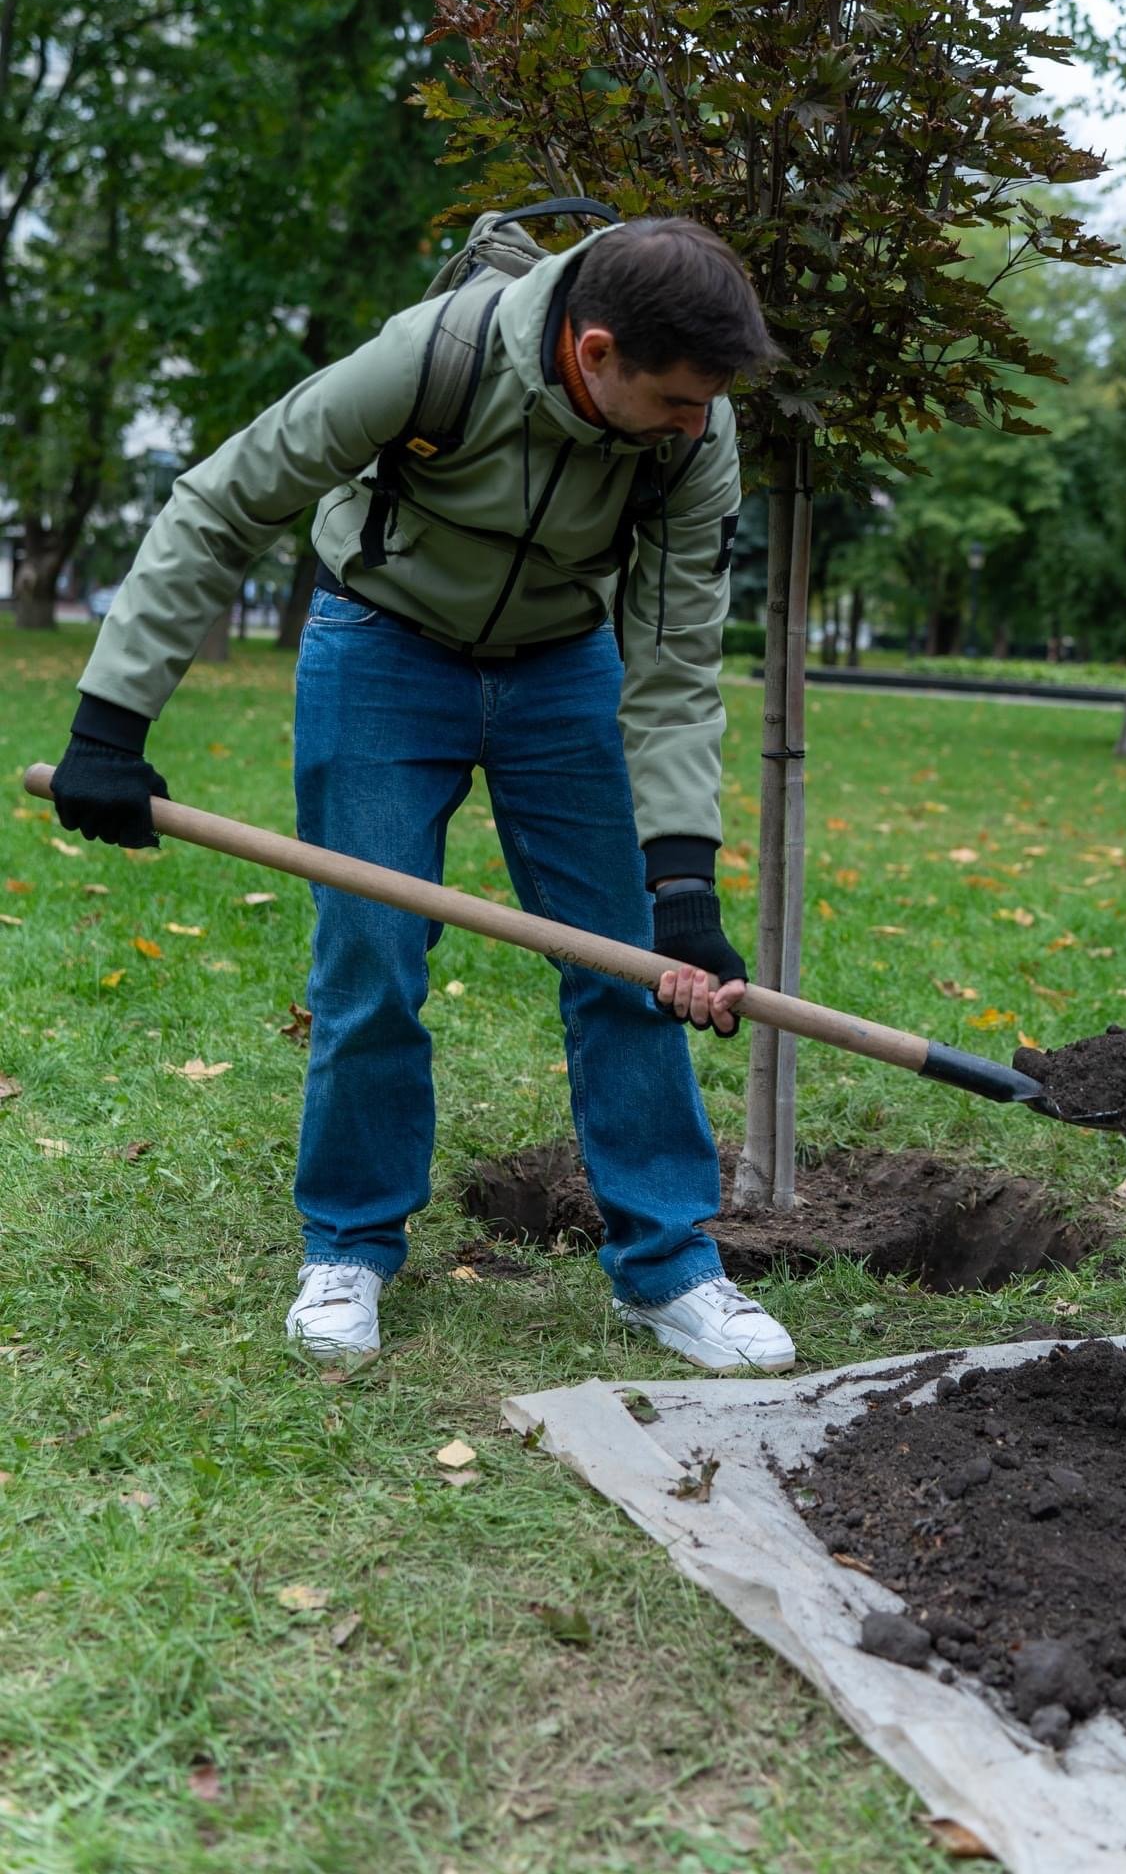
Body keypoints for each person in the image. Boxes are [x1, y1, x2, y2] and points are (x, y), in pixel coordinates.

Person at [49, 216, 797, 1375]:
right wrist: (111, 720)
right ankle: (348, 1242)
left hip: (564, 667)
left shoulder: (697, 441)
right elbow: (224, 499)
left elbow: (675, 662)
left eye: (708, 403)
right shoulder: (429, 359)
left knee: (630, 964)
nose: (697, 423)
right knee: (372, 956)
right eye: (677, 399)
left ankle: (672, 1264)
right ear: (594, 354)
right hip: (382, 647)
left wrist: (683, 880)